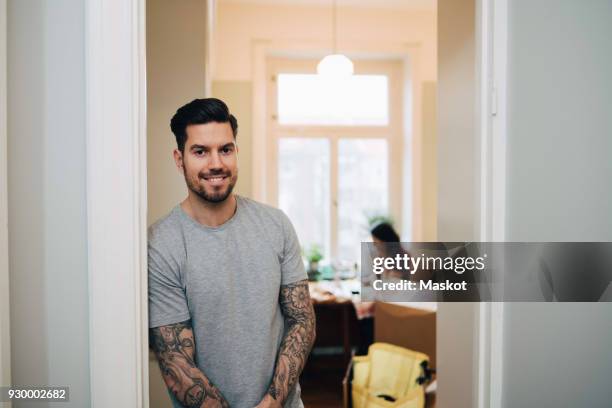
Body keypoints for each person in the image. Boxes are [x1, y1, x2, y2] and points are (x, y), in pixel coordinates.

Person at [148, 98, 316, 408]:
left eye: (225, 149)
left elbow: (302, 321)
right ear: (179, 159)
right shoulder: (161, 243)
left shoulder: (275, 224)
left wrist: (274, 401)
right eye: (200, 151)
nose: (216, 163)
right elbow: (175, 360)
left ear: (236, 152)